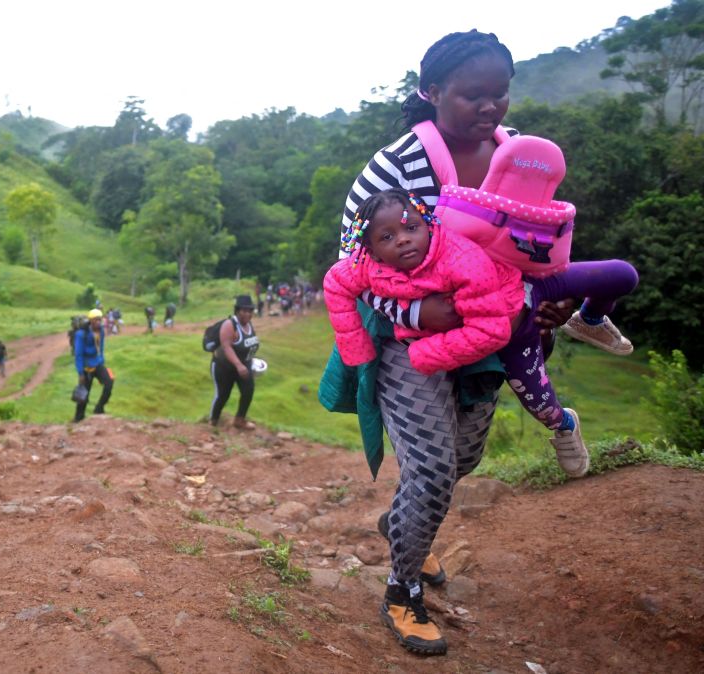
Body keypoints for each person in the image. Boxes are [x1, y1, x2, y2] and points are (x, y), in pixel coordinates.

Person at [332, 30, 582, 657]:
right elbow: (351, 264)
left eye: (500, 94)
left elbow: (538, 243)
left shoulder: (520, 159)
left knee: (464, 457)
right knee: (435, 469)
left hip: (488, 332)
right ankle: (401, 588)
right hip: (408, 340)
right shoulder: (395, 167)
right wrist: (420, 307)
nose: (490, 108)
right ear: (432, 91)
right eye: (474, 96)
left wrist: (547, 296)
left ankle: (402, 523)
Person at [326, 188, 636, 472]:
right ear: (371, 250)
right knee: (542, 407)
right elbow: (336, 282)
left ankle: (590, 319)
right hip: (517, 330)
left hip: (532, 286)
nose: (403, 239)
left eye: (411, 227)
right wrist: (357, 351)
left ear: (428, 224)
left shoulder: (460, 259)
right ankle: (565, 424)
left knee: (623, 276)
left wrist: (423, 354)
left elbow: (490, 331)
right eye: (387, 237)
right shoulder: (365, 266)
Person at [209, 295, 260, 429]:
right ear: (237, 311)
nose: (247, 314)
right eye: (244, 310)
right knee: (223, 395)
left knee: (248, 391)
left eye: (250, 311)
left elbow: (248, 345)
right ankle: (213, 421)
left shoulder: (249, 325)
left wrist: (251, 362)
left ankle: (240, 419)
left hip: (244, 365)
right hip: (223, 367)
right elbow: (226, 347)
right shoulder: (230, 324)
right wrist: (238, 365)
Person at [73, 308, 113, 422]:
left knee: (109, 382)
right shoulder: (81, 334)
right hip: (86, 367)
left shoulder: (101, 331)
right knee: (83, 395)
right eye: (96, 320)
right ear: (90, 320)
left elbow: (101, 348)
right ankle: (78, 418)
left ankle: (99, 408)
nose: (98, 322)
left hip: (98, 363)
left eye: (100, 320)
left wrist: (102, 361)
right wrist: (80, 373)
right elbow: (78, 354)